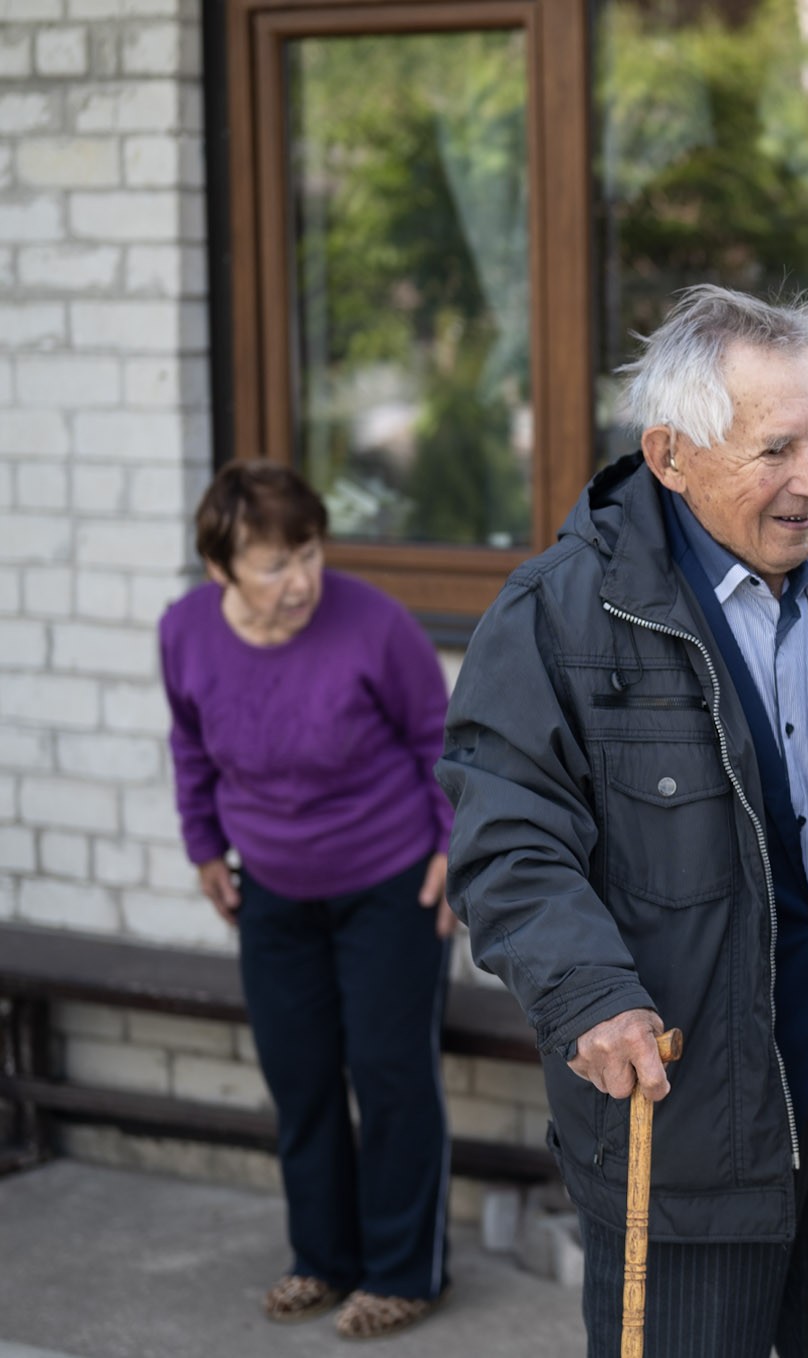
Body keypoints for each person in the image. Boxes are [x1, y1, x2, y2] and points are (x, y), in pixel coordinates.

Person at [438, 286, 808, 1358]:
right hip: (680, 1127)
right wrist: (590, 994)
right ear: (671, 455)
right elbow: (509, 837)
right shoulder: (561, 612)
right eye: (774, 449)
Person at [159, 461, 455, 1341]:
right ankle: (321, 1258)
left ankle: (405, 1271)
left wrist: (452, 847)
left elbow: (441, 740)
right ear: (221, 570)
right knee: (301, 1077)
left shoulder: (375, 624)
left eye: (310, 553)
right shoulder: (185, 633)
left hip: (391, 883)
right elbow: (189, 744)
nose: (300, 581)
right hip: (274, 891)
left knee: (391, 1074)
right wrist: (202, 842)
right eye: (274, 565)